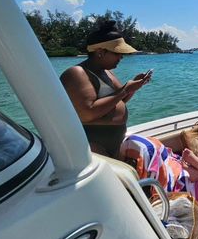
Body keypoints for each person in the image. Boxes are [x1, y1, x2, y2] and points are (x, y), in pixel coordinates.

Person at [60, 20, 152, 158]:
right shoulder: (77, 73)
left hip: (113, 144)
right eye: (117, 53)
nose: (121, 57)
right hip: (93, 147)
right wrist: (125, 89)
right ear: (100, 52)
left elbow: (120, 100)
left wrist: (134, 86)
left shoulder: (106, 71)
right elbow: (87, 113)